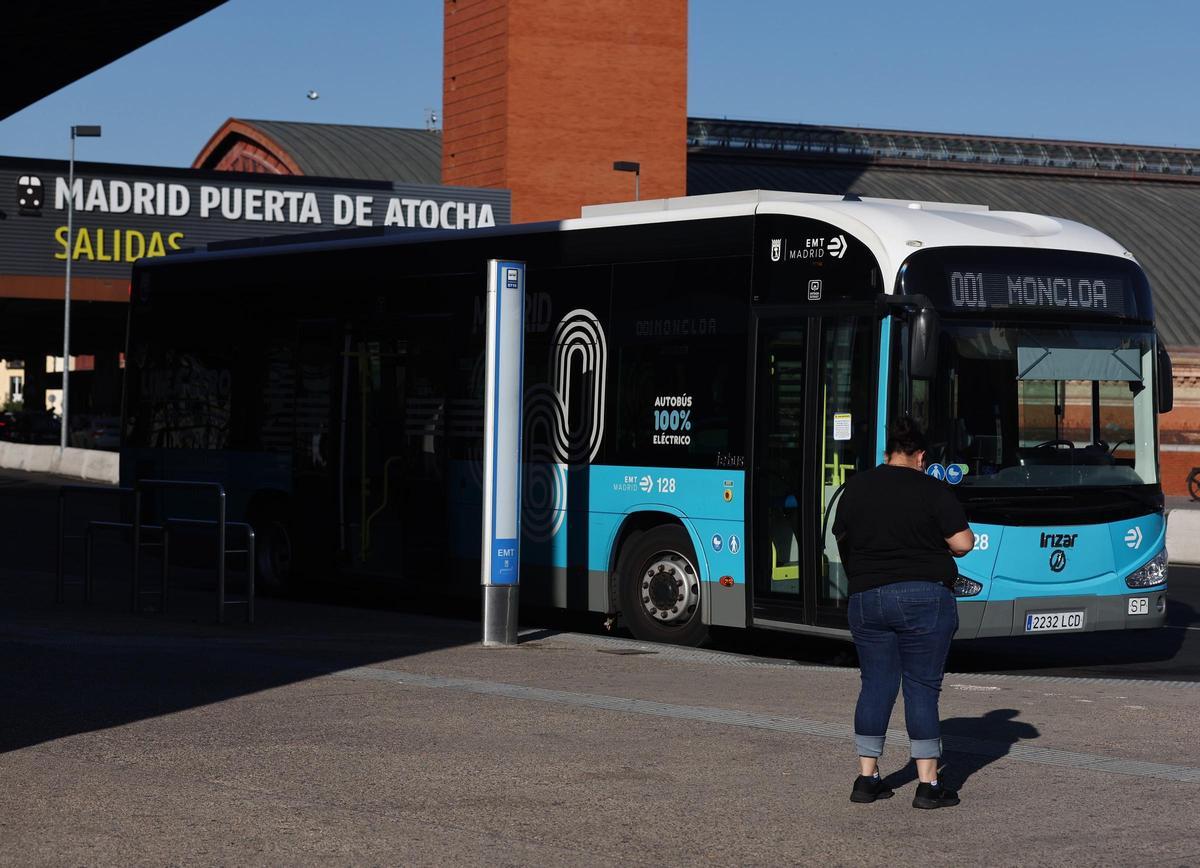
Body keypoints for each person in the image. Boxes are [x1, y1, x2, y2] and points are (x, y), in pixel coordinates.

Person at [832, 416, 974, 809]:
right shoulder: (932, 488)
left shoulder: (856, 487)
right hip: (924, 598)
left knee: (875, 685)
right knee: (922, 689)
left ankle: (867, 779)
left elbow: (840, 536)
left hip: (866, 598)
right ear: (921, 456)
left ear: (887, 451)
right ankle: (928, 786)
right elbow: (963, 543)